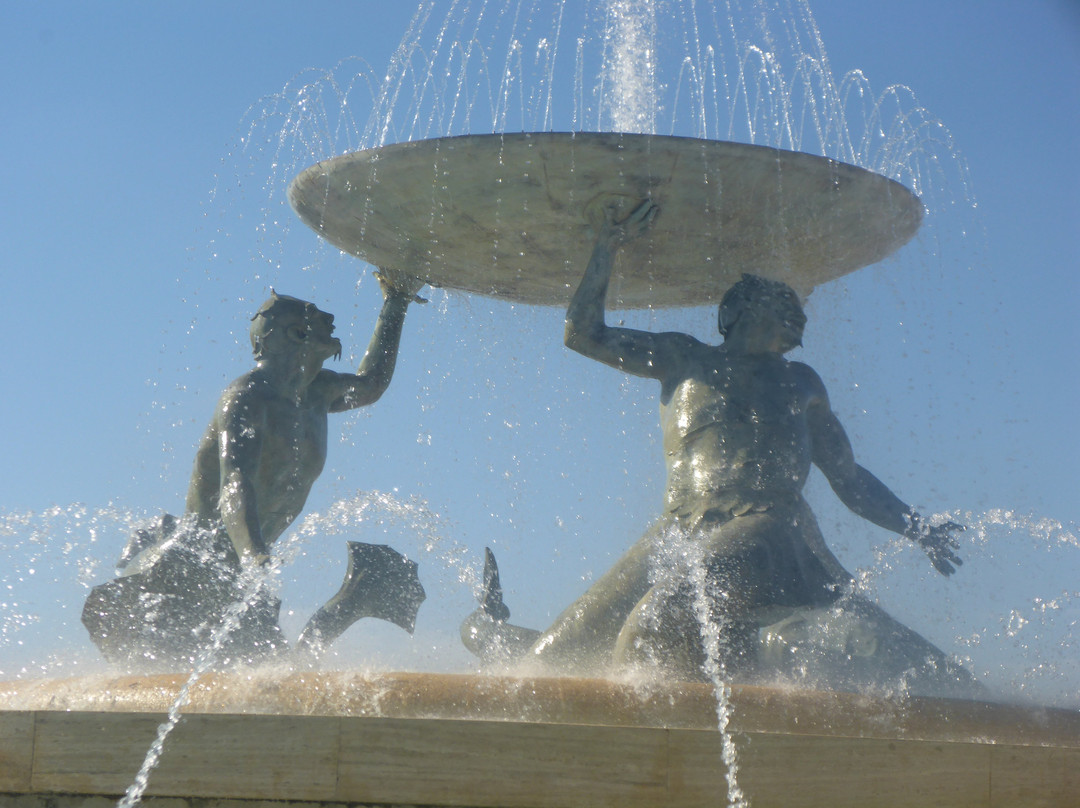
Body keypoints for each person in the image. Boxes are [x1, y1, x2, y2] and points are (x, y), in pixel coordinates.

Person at [522, 199, 968, 687]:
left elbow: (849, 478)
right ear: (736, 310)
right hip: (678, 529)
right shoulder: (682, 357)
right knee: (549, 662)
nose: (800, 313)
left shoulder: (802, 383)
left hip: (766, 526)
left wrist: (916, 527)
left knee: (654, 624)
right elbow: (581, 334)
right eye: (785, 303)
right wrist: (606, 246)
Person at [83, 270, 426, 667]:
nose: (331, 323)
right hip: (191, 567)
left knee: (273, 678)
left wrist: (396, 302)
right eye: (316, 319)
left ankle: (355, 596)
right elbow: (235, 482)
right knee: (241, 681)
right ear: (293, 334)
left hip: (240, 567)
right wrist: (254, 556)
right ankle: (354, 597)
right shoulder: (246, 397)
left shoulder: (318, 393)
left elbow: (372, 383)